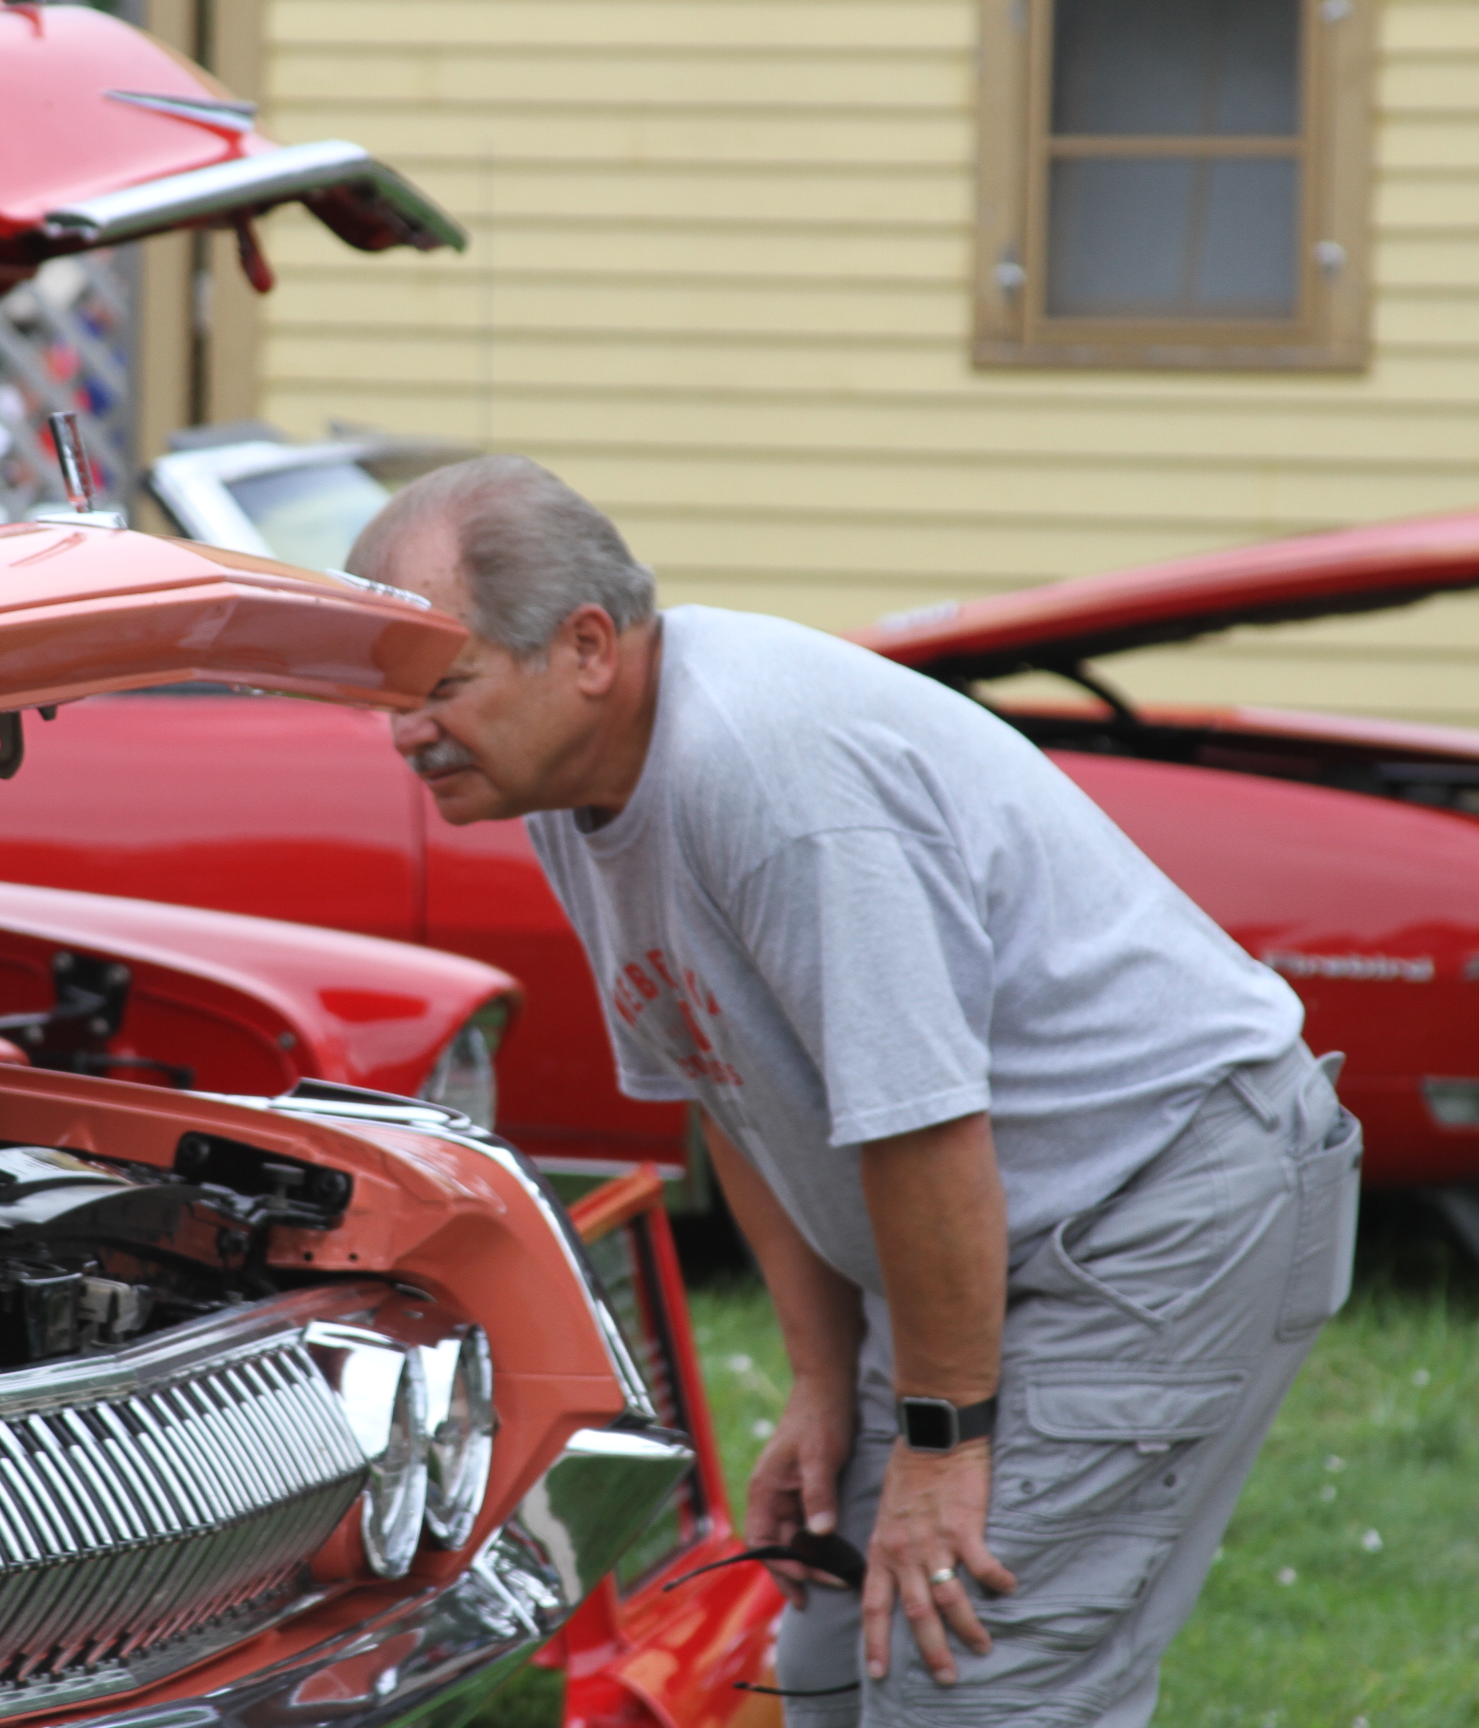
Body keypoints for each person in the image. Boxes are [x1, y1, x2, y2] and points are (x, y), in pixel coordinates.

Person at [348, 455, 1362, 1728]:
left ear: (587, 646)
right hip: (981, 1237)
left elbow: (926, 1125)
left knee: (970, 1678)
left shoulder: (768, 780)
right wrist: (828, 1394)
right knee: (825, 1650)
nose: (403, 733)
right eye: (387, 696)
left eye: (440, 687)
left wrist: (941, 1447)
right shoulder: (570, 788)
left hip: (1158, 1209)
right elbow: (740, 1098)